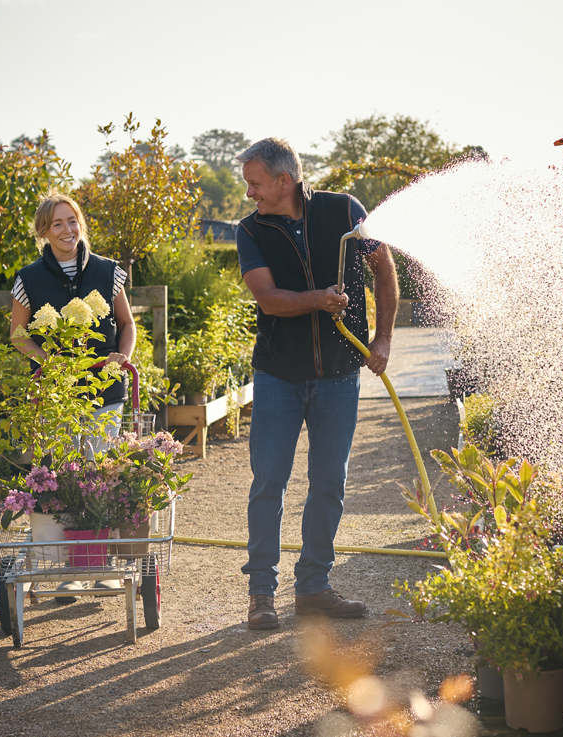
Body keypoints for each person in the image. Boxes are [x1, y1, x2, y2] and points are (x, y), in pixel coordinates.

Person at [234, 138, 398, 630]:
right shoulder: (251, 230)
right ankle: (262, 594)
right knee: (269, 484)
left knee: (330, 484)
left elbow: (383, 268)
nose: (250, 194)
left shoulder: (344, 209)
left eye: (256, 184)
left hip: (338, 378)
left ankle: (314, 588)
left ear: (285, 182)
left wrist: (383, 339)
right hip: (279, 377)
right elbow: (268, 299)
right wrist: (318, 300)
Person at [10, 189, 136, 601]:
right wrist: (47, 361)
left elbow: (127, 324)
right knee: (63, 478)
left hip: (105, 392)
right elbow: (17, 334)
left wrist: (122, 358)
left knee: (100, 475)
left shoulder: (107, 270)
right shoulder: (28, 278)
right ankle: (68, 568)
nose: (68, 229)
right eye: (58, 223)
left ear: (81, 224)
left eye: (73, 220)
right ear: (44, 232)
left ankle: (99, 567)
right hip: (56, 395)